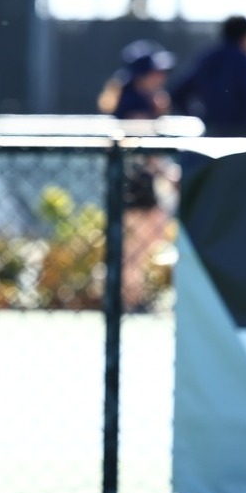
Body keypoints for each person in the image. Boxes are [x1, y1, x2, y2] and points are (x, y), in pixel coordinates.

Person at [99, 39, 176, 309]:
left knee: (146, 238)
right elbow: (145, 150)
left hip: (134, 178)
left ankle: (128, 293)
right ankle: (126, 295)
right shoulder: (132, 102)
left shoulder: (144, 100)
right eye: (155, 71)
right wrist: (168, 173)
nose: (161, 77)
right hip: (132, 180)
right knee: (136, 244)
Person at [168, 15, 246, 136]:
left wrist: (198, 116)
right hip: (240, 137)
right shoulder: (245, 60)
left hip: (210, 136)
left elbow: (178, 94)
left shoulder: (207, 58)